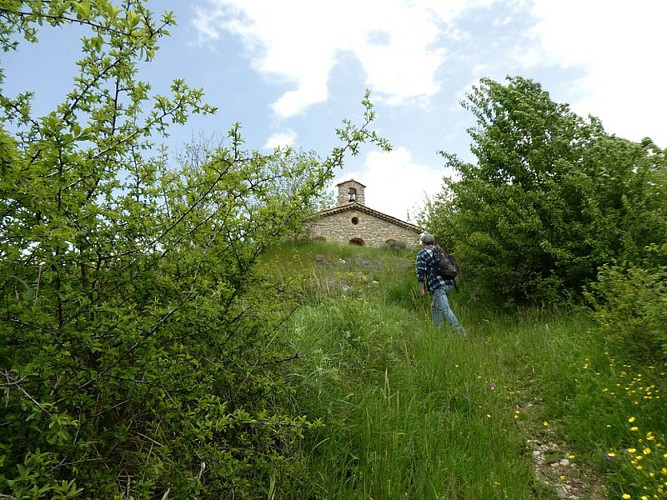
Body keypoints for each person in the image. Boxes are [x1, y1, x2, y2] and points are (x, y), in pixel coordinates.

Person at [416, 233, 466, 337]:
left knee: (444, 309)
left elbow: (420, 274)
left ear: (423, 243)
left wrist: (422, 291)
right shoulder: (440, 250)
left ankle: (461, 334)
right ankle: (438, 333)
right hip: (449, 283)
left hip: (438, 285)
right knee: (435, 307)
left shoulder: (422, 253)